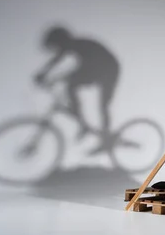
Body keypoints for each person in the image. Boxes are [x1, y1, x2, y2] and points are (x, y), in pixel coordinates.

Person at [34, 26, 120, 154]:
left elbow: (82, 66)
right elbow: (56, 60)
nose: (58, 49)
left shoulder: (81, 44)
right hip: (98, 69)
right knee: (71, 85)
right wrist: (44, 74)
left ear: (62, 40)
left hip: (109, 69)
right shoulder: (73, 46)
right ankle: (82, 123)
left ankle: (105, 137)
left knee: (102, 105)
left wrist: (49, 76)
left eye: (57, 45)